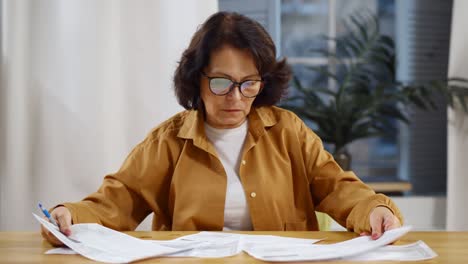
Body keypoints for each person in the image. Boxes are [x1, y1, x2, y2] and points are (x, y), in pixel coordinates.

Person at [41, 11, 402, 246]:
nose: (235, 97)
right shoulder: (168, 141)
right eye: (221, 82)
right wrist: (71, 217)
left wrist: (374, 209)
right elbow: (117, 201)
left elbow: (338, 189)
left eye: (249, 83)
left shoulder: (288, 131)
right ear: (196, 79)